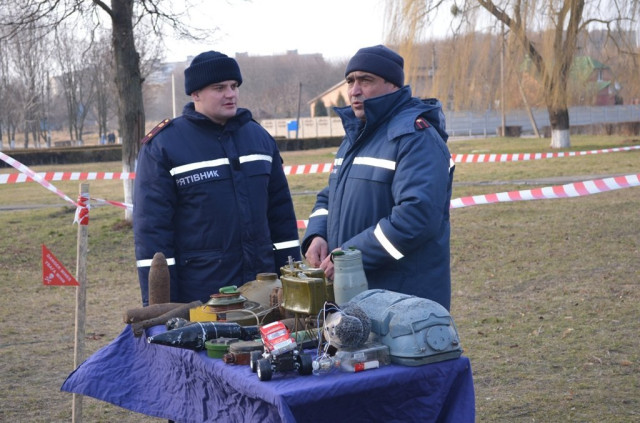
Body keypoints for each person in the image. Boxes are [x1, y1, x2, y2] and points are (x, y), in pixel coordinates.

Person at [134, 50, 301, 306]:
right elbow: (153, 234)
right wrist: (160, 307)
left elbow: (282, 219)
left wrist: (293, 284)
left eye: (234, 86)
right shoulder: (164, 146)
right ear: (195, 93)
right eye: (219, 88)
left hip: (264, 293)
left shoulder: (259, 139)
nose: (230, 94)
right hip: (200, 296)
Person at [301, 45, 454, 310]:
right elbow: (329, 196)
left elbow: (415, 218)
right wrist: (317, 235)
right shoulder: (356, 137)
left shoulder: (415, 138)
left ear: (393, 85)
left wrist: (350, 258)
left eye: (366, 80)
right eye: (350, 81)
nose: (354, 90)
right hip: (357, 294)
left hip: (403, 301)